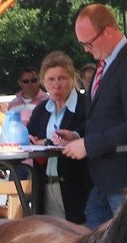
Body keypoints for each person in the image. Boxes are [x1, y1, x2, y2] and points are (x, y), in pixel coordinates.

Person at [59, 3, 127, 229]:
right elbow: (104, 118)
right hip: (102, 181)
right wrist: (77, 136)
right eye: (81, 44)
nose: (85, 49)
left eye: (89, 43)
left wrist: (89, 144)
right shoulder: (105, 64)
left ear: (109, 32)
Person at [27, 51, 89, 223]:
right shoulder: (40, 111)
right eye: (51, 80)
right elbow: (29, 138)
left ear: (73, 78)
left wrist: (74, 137)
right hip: (46, 186)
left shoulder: (86, 106)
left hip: (79, 189)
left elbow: (92, 133)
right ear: (43, 82)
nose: (56, 85)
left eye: (62, 78)